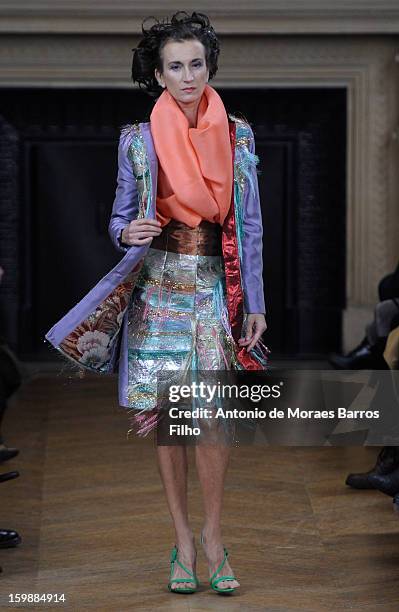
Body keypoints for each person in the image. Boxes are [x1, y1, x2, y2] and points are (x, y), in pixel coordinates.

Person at [45, 11, 269, 595]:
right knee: (171, 420)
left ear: (209, 66)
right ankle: (183, 541)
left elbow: (249, 226)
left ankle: (216, 539)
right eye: (176, 66)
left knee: (214, 419)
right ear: (160, 75)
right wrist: (128, 232)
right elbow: (119, 219)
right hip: (158, 293)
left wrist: (256, 302)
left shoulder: (236, 134)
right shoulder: (137, 141)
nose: (189, 75)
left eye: (197, 63)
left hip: (218, 292)